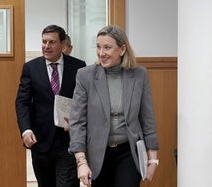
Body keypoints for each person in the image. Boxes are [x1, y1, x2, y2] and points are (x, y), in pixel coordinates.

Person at [68, 25, 159, 187]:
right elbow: (77, 122)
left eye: (107, 47)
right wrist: (81, 162)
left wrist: (153, 159)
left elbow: (147, 119)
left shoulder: (139, 75)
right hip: (97, 153)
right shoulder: (85, 76)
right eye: (98, 47)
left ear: (122, 49)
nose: (101, 53)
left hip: (128, 153)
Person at [15, 24, 86, 187]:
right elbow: (22, 102)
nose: (47, 46)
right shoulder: (31, 68)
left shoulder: (79, 67)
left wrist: (78, 120)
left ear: (63, 45)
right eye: (44, 42)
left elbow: (85, 101)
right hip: (40, 140)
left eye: (52, 42)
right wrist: (26, 130)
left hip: (69, 140)